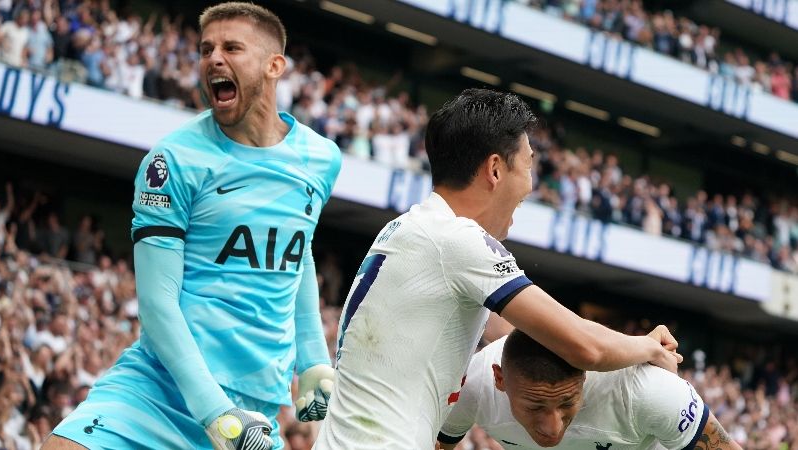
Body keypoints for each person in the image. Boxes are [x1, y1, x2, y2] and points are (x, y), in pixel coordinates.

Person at [44, 3, 341, 450]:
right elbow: (157, 304)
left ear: (274, 65)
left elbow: (297, 252)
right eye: (206, 50)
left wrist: (313, 358)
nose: (213, 59)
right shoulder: (172, 161)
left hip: (252, 411)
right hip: (160, 392)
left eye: (232, 47)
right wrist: (213, 411)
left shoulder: (322, 159)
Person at [313, 88, 681, 450]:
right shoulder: (458, 239)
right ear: (495, 169)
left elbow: (521, 330)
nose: (530, 184)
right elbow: (582, 346)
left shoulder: (409, 229)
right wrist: (647, 347)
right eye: (528, 163)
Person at [438, 329, 743, 450]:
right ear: (499, 379)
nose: (552, 428)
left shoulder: (647, 391)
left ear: (585, 374)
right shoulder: (472, 385)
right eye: (535, 407)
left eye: (566, 402)